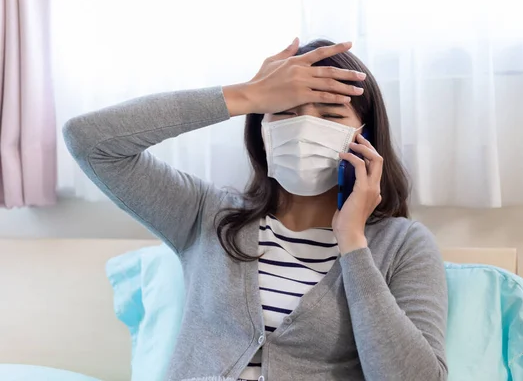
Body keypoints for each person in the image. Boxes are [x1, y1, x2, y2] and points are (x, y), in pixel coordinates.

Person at [63, 38, 448, 381]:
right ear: (261, 128)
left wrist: (353, 243)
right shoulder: (206, 214)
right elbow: (90, 140)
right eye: (285, 111)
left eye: (330, 116)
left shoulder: (401, 245)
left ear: (365, 137)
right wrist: (246, 95)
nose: (305, 129)